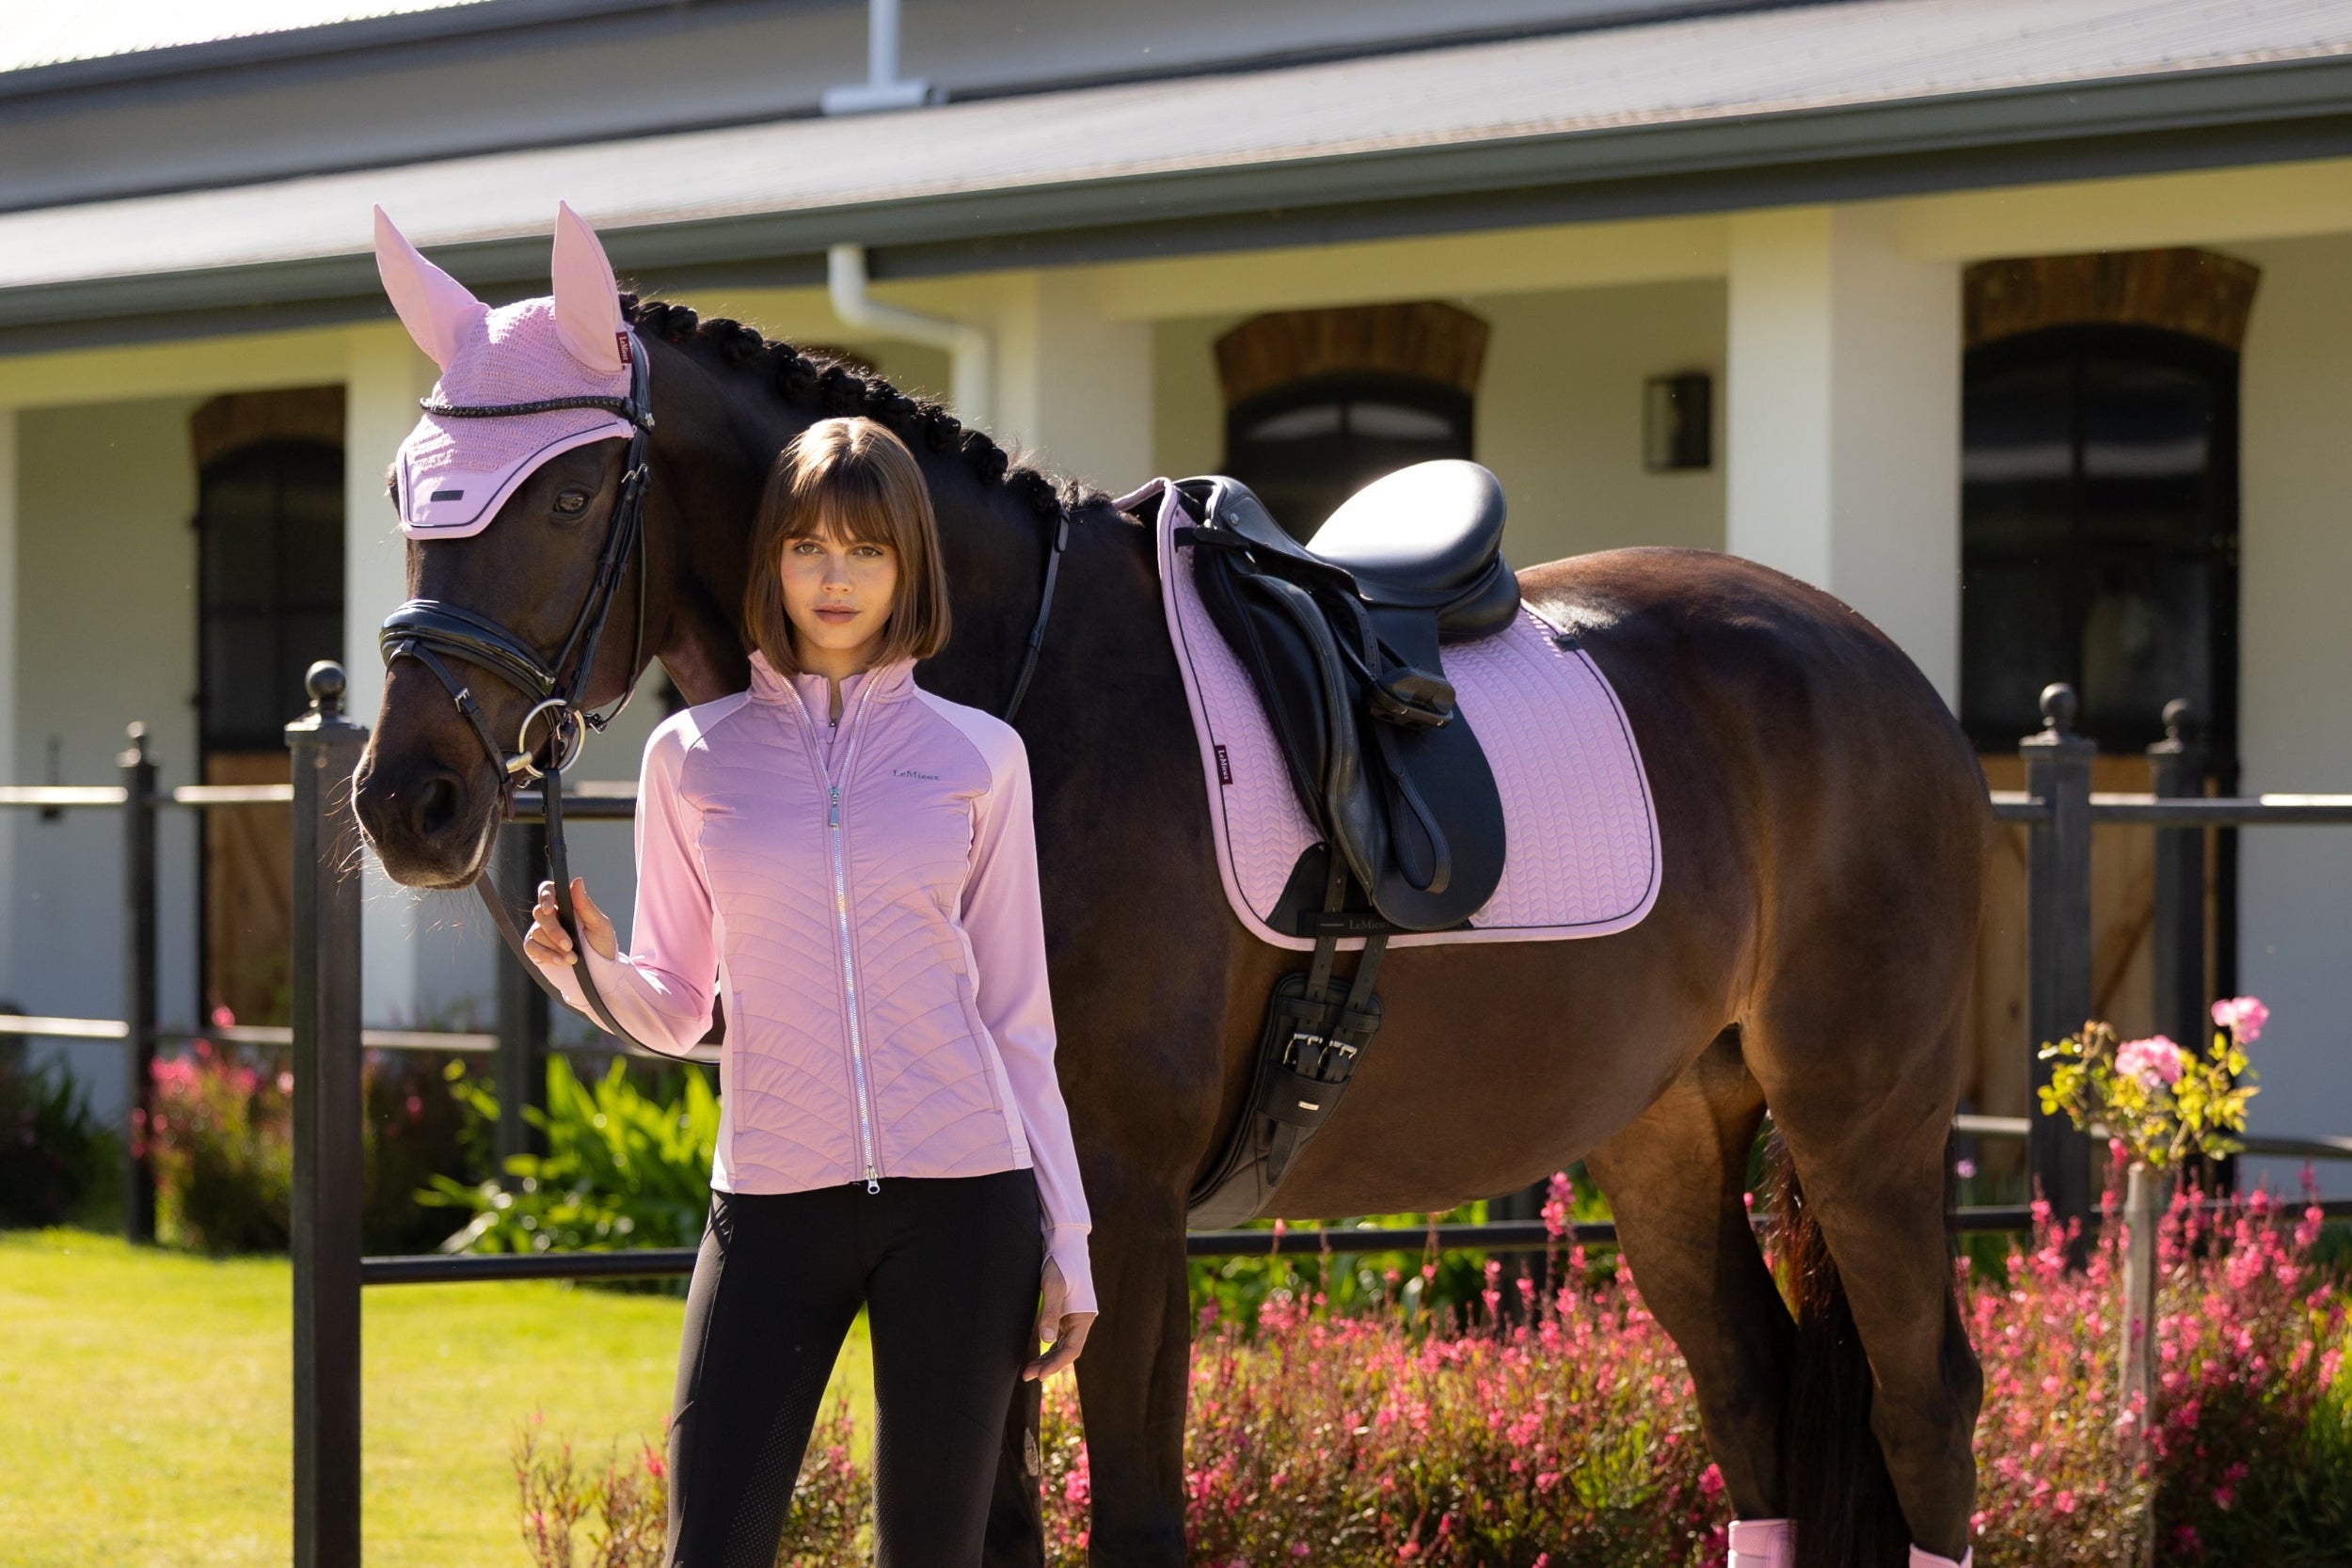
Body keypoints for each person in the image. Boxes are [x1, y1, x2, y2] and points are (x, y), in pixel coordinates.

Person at [523, 415, 1096, 1567]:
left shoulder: (980, 755)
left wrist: (1068, 1236)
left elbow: (1016, 1016)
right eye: (808, 547)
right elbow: (682, 1002)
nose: (836, 579)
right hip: (772, 1196)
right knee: (713, 1543)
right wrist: (590, 976)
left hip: (962, 1197)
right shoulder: (690, 756)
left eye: (867, 551)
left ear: (908, 569)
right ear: (770, 561)